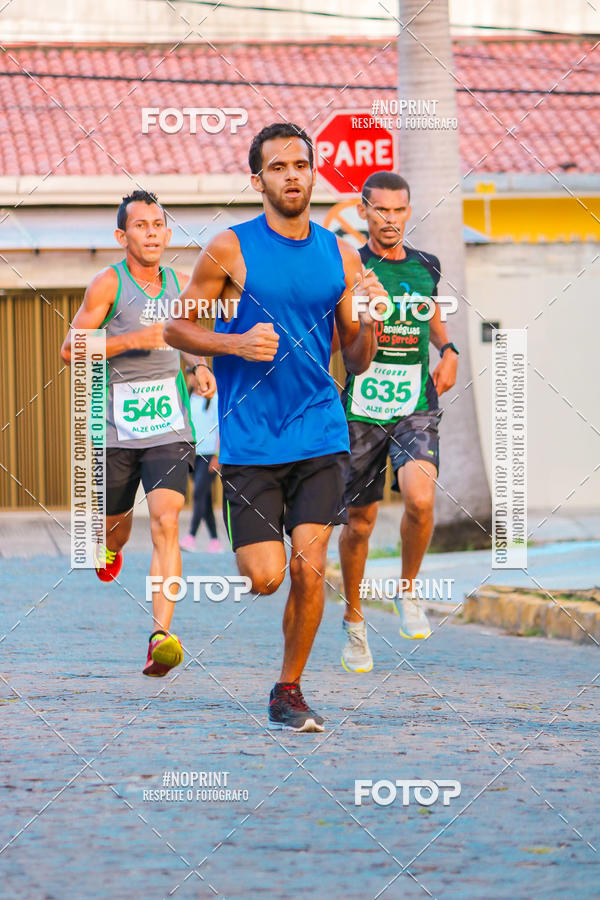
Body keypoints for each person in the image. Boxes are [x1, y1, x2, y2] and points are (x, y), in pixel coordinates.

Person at [164, 122, 382, 732]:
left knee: (313, 568)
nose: (293, 176)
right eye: (279, 167)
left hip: (319, 430)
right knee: (267, 578)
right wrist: (233, 343)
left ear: (314, 174)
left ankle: (289, 690)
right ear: (257, 179)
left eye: (302, 165)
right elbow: (177, 329)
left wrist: (367, 321)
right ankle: (284, 669)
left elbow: (357, 360)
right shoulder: (229, 248)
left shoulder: (339, 252)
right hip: (251, 439)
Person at [60, 190, 216, 677]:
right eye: (142, 226)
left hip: (169, 426)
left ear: (167, 233)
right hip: (116, 430)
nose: (152, 233)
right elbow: (70, 350)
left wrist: (199, 366)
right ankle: (110, 547)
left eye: (158, 225)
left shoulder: (180, 283)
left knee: (168, 521)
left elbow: (187, 335)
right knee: (114, 526)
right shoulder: (107, 284)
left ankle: (161, 636)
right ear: (122, 236)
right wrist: (131, 339)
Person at [336, 171, 459, 674]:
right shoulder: (350, 265)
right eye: (381, 210)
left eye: (399, 210)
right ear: (363, 211)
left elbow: (428, 314)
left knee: (421, 498)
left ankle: (408, 591)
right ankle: (355, 621)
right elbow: (335, 331)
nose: (390, 220)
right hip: (361, 406)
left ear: (409, 212)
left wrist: (447, 348)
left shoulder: (426, 265)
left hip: (415, 401)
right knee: (360, 524)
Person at [180, 380, 223, 553]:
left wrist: (218, 456)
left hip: (209, 455)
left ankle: (190, 536)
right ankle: (215, 541)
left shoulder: (214, 399)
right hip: (192, 454)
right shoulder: (188, 398)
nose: (193, 379)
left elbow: (221, 427)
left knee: (198, 493)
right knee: (203, 498)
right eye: (190, 375)